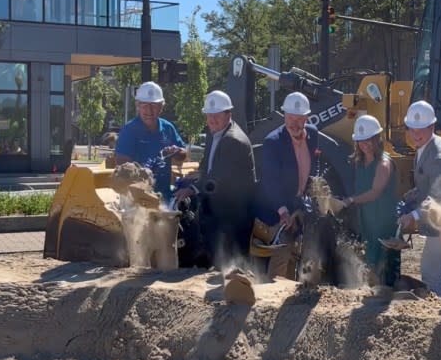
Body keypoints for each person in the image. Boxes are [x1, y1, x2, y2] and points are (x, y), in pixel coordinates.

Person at [174, 90, 257, 266]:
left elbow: (218, 178)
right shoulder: (216, 133)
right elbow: (207, 166)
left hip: (234, 214)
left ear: (229, 114)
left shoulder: (233, 140)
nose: (212, 120)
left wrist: (192, 189)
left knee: (231, 262)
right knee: (214, 257)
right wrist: (195, 176)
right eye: (209, 115)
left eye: (216, 116)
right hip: (219, 208)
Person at [397, 101, 441, 298]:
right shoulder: (426, 146)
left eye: (421, 130)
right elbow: (429, 183)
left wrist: (414, 216)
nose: (416, 135)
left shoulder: (439, 156)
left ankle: (436, 319)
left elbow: (438, 198)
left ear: (432, 126)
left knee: (430, 274)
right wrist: (415, 193)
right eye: (412, 130)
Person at [256, 92, 321, 280]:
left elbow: (313, 166)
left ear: (306, 118)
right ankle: (271, 297)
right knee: (282, 252)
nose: (294, 124)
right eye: (290, 118)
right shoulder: (273, 142)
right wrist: (282, 210)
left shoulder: (313, 134)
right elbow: (269, 181)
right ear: (284, 115)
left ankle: (292, 295)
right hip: (278, 207)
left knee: (298, 254)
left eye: (299, 119)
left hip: (300, 203)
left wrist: (314, 189)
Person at [343, 115, 400, 288]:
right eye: (361, 140)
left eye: (368, 140)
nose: (364, 144)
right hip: (368, 220)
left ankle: (387, 297)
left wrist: (350, 200)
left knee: (384, 263)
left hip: (383, 221)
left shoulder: (383, 164)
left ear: (377, 139)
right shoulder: (359, 162)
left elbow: (375, 192)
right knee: (369, 260)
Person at [115, 81, 186, 201]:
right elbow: (122, 163)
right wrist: (141, 174)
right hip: (137, 199)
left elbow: (183, 155)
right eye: (145, 106)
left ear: (161, 107)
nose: (149, 111)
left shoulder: (168, 128)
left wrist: (177, 152)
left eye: (154, 106)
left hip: (164, 197)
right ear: (138, 106)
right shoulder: (129, 130)